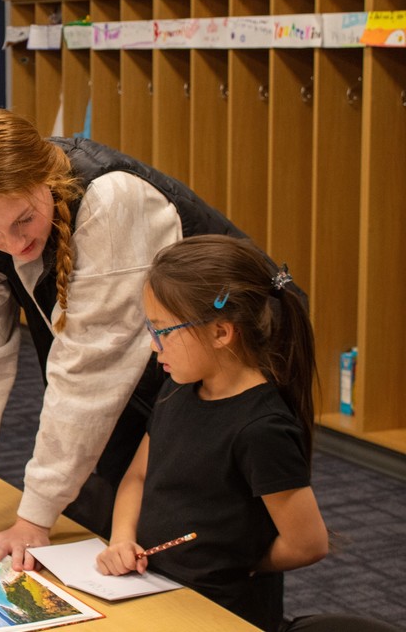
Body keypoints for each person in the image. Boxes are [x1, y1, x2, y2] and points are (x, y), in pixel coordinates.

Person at [0, 107, 271, 567]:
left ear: (46, 178)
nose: (14, 242)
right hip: (150, 366)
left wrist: (34, 519)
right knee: (107, 534)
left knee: (200, 544)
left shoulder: (111, 199)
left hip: (225, 371)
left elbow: (90, 372)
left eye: (25, 219)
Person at [94, 235, 327, 631]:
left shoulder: (261, 428)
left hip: (220, 611)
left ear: (221, 332)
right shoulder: (179, 387)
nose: (154, 347)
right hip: (156, 588)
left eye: (164, 331)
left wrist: (237, 562)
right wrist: (121, 539)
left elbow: (308, 543)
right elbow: (137, 477)